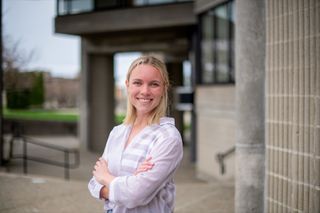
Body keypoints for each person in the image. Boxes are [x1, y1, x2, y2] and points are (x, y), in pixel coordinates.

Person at [88, 55, 183, 213]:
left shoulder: (168, 137)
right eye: (138, 83)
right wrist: (129, 182)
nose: (145, 91)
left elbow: (135, 195)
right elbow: (93, 184)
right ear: (127, 85)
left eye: (154, 84)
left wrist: (106, 177)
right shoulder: (117, 132)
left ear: (164, 88)